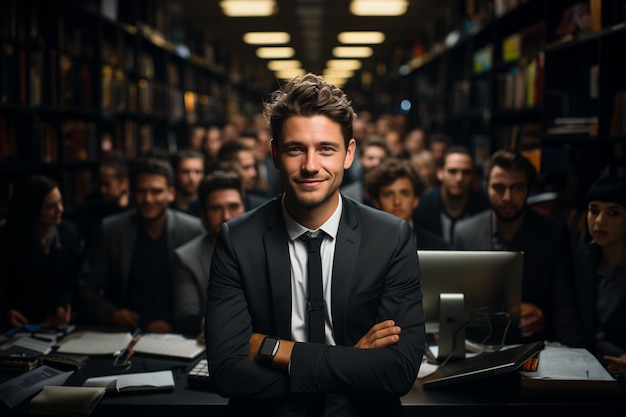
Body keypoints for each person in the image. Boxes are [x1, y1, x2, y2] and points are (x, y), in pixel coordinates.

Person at [205, 73, 424, 417]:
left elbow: (398, 372)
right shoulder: (238, 239)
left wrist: (278, 350)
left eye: (326, 149)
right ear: (275, 154)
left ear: (348, 154)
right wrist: (351, 362)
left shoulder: (390, 237)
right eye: (295, 149)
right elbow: (227, 374)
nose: (310, 165)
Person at [453, 149, 583, 346]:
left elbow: (564, 304)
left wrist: (543, 318)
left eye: (517, 188)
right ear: (485, 187)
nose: (507, 197)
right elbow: (455, 300)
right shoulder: (465, 232)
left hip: (535, 345)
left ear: (529, 189)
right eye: (498, 187)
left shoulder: (553, 233)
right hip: (478, 346)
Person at [79, 157, 203, 332]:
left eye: (156, 191)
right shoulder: (111, 229)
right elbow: (86, 287)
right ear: (132, 193)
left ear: (171, 194)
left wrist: (176, 325)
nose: (148, 199)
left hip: (179, 333)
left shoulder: (193, 230)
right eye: (141, 191)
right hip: (125, 331)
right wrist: (112, 314)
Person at [172, 164, 246, 336]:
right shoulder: (186, 257)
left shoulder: (267, 247)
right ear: (203, 215)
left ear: (244, 208)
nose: (226, 216)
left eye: (233, 207)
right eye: (216, 209)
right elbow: (185, 315)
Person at [0, 175, 80, 328]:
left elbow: (71, 282)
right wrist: (6, 311)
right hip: (17, 324)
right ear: (33, 209)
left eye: (60, 202)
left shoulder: (68, 233)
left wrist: (61, 307)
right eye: (50, 207)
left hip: (54, 324)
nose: (60, 210)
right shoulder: (7, 238)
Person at [573, 174, 626, 376]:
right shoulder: (583, 259)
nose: (599, 221)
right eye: (593, 210)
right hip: (587, 366)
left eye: (613, 213)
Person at [364, 158, 449, 250]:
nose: (397, 202)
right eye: (389, 194)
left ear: (415, 199)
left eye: (405, 194)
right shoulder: (364, 246)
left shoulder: (438, 247)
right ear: (377, 201)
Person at [412, 146, 490, 244]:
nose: (459, 178)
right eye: (452, 171)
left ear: (473, 175)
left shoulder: (485, 207)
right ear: (440, 172)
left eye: (466, 172)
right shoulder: (422, 207)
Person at [65, 154, 131, 252]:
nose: (102, 190)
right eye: (100, 183)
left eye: (107, 185)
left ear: (123, 183)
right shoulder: (92, 202)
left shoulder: (133, 206)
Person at [217, 139, 269, 209]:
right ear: (228, 169)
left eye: (253, 166)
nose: (253, 174)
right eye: (246, 168)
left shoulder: (261, 205)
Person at [340, 135, 389, 206]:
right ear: (360, 160)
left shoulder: (393, 194)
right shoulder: (346, 195)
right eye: (370, 158)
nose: (376, 163)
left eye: (381, 159)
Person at [170, 148, 205, 217]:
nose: (192, 178)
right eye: (185, 172)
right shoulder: (166, 207)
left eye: (197, 172)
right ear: (175, 173)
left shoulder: (207, 207)